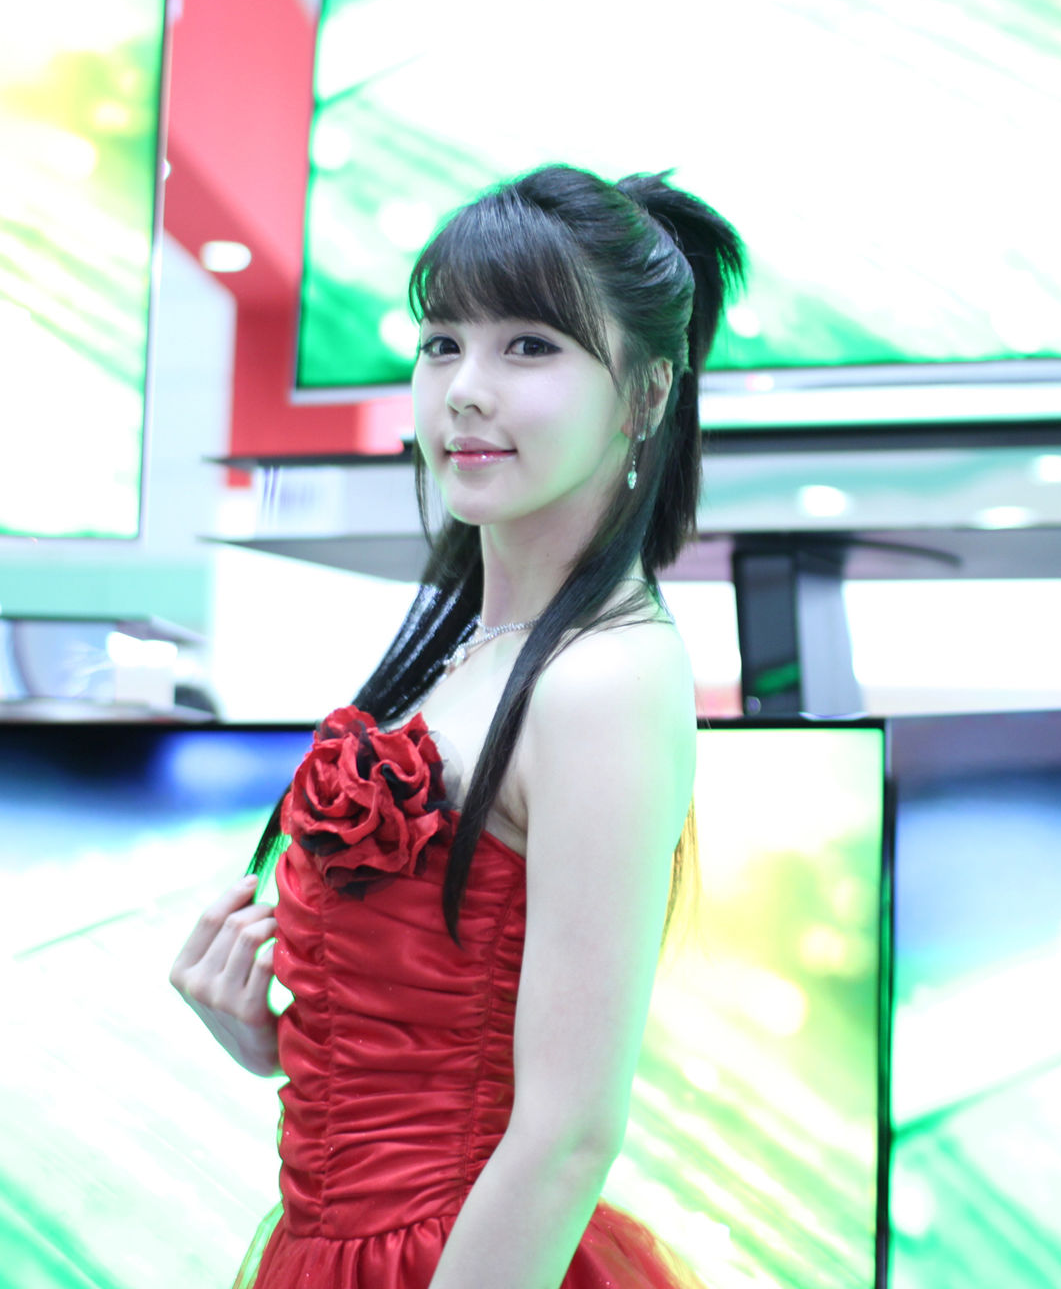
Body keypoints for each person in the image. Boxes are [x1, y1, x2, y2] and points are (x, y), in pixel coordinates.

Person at [168, 163, 744, 1289]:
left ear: (645, 393)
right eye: (441, 343)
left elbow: (568, 1134)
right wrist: (284, 1039)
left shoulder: (601, 676)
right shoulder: (476, 649)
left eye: (529, 345)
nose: (465, 390)